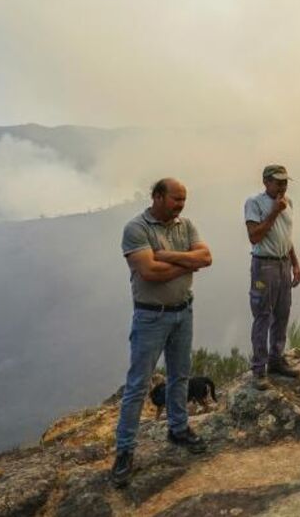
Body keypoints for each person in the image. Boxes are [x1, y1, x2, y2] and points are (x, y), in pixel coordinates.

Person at [109, 178, 214, 488]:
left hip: (184, 311)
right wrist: (187, 263)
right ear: (156, 196)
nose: (181, 205)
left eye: (183, 199)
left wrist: (166, 256)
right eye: (175, 199)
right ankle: (125, 451)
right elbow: (149, 273)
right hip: (150, 317)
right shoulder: (136, 228)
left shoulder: (186, 225)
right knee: (138, 385)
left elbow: (206, 258)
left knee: (180, 375)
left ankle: (178, 428)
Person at [243, 164, 300, 390]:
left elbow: (285, 237)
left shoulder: (289, 203)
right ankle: (259, 369)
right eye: (278, 182)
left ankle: (276, 361)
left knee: (282, 313)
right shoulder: (254, 203)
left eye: (285, 182)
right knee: (262, 315)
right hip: (264, 265)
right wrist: (275, 211)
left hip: (283, 264)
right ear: (266, 182)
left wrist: (295, 264)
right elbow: (254, 237)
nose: (283, 186)